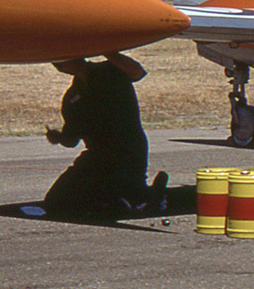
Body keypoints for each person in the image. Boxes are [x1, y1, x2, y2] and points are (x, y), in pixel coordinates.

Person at [42, 53, 167, 216]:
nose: (73, 60)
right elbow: (71, 140)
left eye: (74, 55)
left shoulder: (111, 69)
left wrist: (107, 50)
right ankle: (133, 196)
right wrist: (57, 137)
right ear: (62, 68)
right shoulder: (72, 98)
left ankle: (144, 195)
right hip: (98, 155)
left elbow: (137, 72)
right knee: (56, 202)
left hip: (128, 149)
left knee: (123, 192)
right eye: (66, 59)